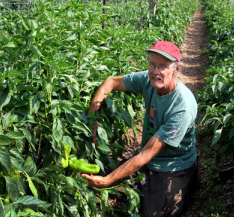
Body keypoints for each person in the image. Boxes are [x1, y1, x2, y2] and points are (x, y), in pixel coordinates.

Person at [81, 41, 198, 217]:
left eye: (163, 67)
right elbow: (111, 82)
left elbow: (144, 155)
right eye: (152, 64)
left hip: (173, 165)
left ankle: (186, 188)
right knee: (104, 188)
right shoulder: (148, 80)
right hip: (146, 157)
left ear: (177, 69)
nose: (156, 71)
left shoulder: (182, 107)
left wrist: (106, 181)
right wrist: (92, 118)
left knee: (153, 212)